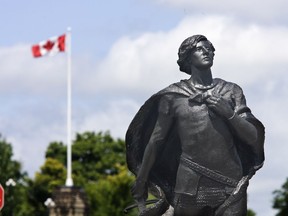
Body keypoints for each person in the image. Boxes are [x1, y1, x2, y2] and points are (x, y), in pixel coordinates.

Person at [125, 35, 265, 216]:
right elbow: (156, 141)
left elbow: (253, 138)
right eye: (200, 49)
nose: (207, 52)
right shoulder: (172, 97)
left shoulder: (231, 91)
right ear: (188, 57)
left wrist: (228, 114)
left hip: (231, 184)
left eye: (210, 49)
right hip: (191, 183)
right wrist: (142, 179)